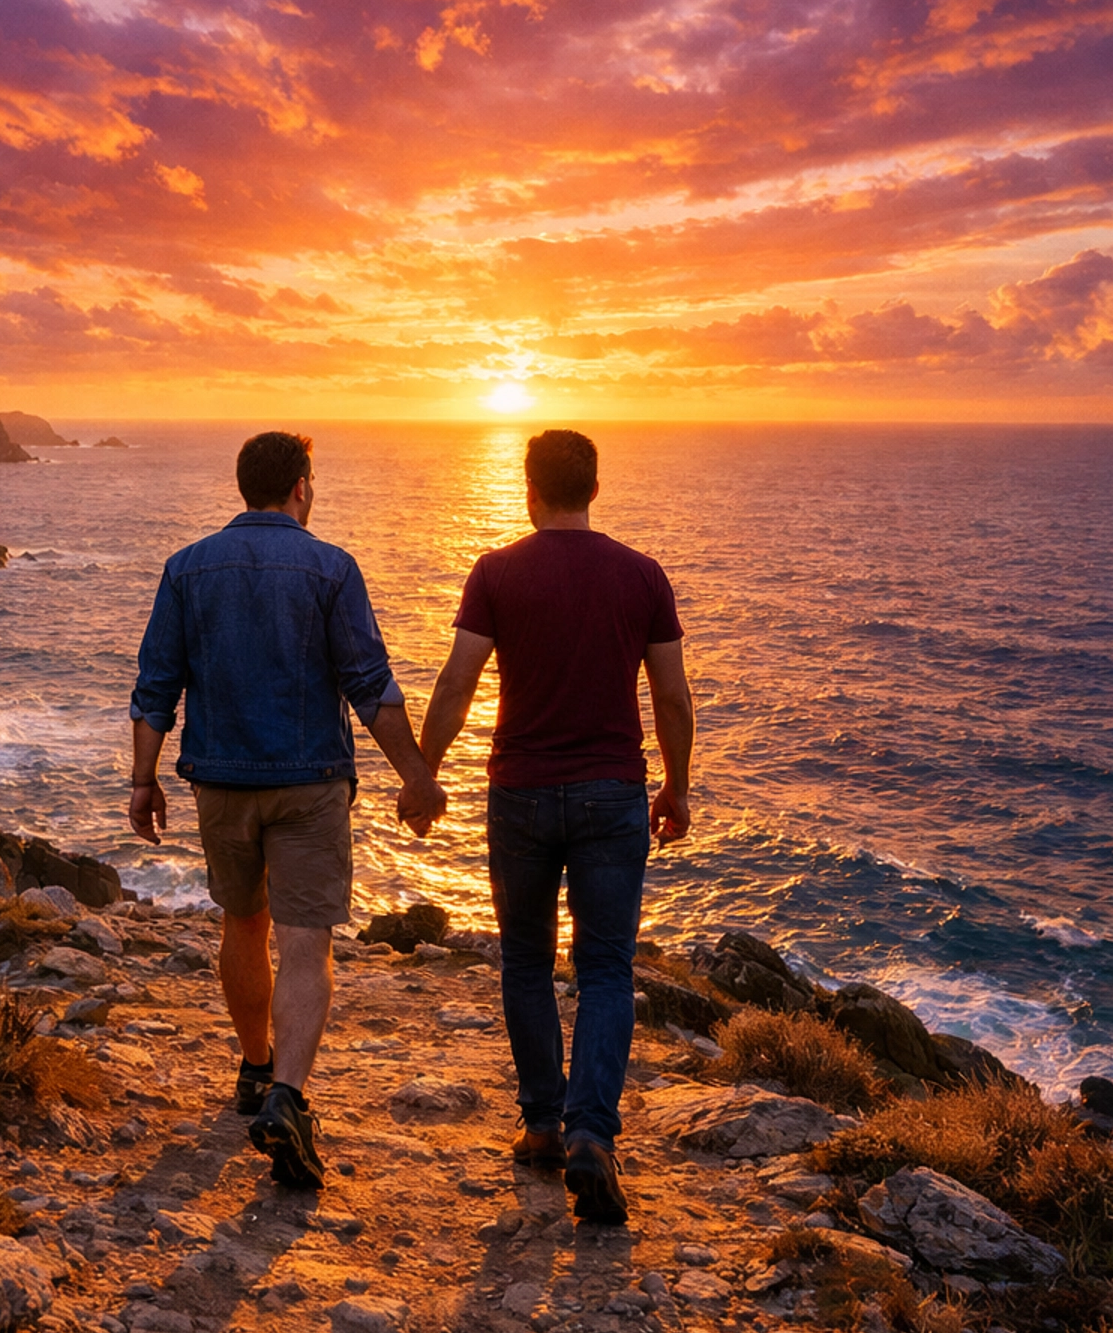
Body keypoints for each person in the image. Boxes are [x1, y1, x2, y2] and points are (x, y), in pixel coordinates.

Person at [129, 430, 446, 1191]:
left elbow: (155, 686)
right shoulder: (332, 568)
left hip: (221, 783)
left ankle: (255, 1066)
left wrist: (143, 780)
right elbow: (371, 685)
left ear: (245, 487)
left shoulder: (187, 568)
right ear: (300, 485)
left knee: (244, 925)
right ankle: (289, 1100)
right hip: (310, 784)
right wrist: (418, 777)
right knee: (306, 944)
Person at [419, 429, 693, 1224]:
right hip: (613, 794)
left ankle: (542, 1125)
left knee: (527, 963)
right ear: (594, 489)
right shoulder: (641, 575)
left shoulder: (496, 571)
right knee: (606, 969)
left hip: (523, 794)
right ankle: (590, 1133)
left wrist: (424, 772)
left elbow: (459, 680)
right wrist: (676, 786)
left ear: (528, 490)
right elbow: (671, 697)